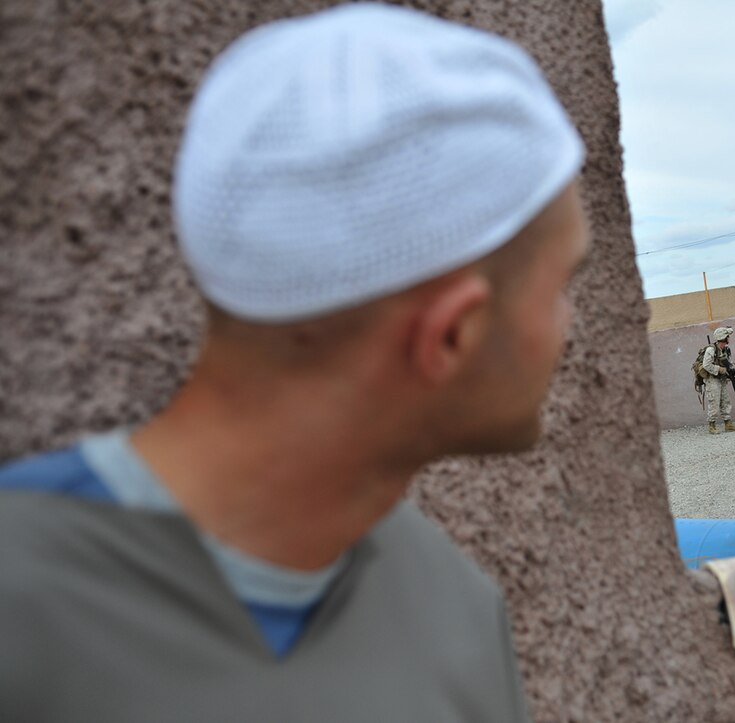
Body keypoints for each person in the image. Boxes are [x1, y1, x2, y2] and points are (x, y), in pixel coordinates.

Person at [0, 5, 589, 721]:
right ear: (449, 337)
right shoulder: (21, 605)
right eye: (561, 287)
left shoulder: (455, 611)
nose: (568, 326)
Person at [702, 326, 735, 434]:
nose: (728, 338)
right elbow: (706, 365)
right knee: (714, 402)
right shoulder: (711, 349)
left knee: (725, 400)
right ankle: (712, 425)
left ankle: (728, 423)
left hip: (722, 379)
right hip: (712, 379)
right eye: (727, 337)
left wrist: (731, 370)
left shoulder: (726, 349)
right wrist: (719, 369)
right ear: (723, 338)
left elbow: (729, 362)